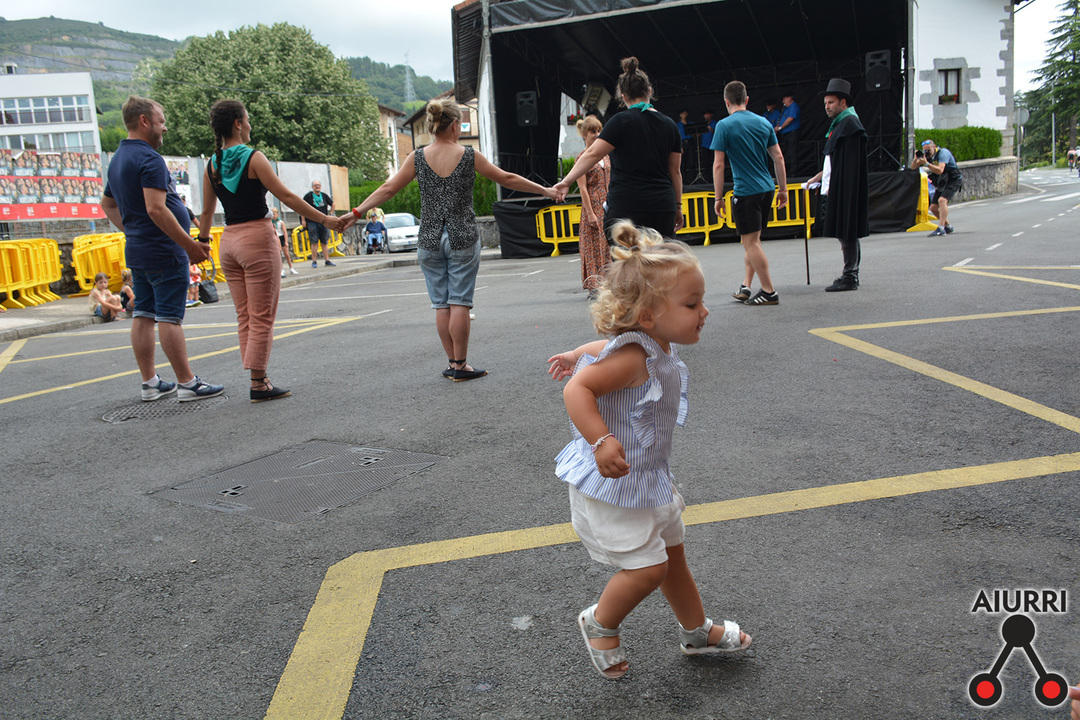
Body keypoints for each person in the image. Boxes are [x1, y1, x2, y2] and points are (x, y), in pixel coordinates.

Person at [547, 221, 751, 680]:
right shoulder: (635, 357)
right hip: (615, 481)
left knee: (673, 556)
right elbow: (578, 389)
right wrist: (601, 440)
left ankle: (696, 630)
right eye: (692, 304)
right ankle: (600, 622)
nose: (704, 311)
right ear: (647, 316)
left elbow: (604, 348)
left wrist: (578, 351)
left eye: (701, 301)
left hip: (648, 477)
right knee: (648, 568)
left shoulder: (652, 344)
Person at [342, 98, 559, 381]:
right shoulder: (468, 155)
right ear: (455, 124)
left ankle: (452, 363)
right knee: (460, 302)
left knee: (441, 304)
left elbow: (388, 189)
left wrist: (356, 213)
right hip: (462, 236)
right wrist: (546, 190)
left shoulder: (417, 157)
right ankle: (461, 365)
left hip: (429, 238)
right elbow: (507, 178)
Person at [200, 99, 344, 403]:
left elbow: (207, 211)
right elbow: (287, 196)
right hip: (256, 238)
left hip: (228, 242)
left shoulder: (212, 164)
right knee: (262, 315)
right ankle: (259, 382)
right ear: (238, 124)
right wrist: (325, 219)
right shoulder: (254, 158)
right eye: (247, 119)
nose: (250, 125)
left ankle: (256, 377)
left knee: (244, 315)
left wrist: (201, 241)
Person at [100, 95, 223, 403]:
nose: (164, 128)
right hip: (164, 251)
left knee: (143, 313)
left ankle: (150, 382)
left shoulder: (118, 158)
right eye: (161, 121)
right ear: (144, 121)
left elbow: (107, 204)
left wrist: (133, 230)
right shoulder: (149, 158)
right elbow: (156, 208)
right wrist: (189, 245)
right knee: (170, 317)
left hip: (139, 250)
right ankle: (187, 383)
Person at [554, 57, 683, 239]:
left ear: (623, 96)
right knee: (661, 256)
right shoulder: (670, 125)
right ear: (649, 91)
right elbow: (675, 171)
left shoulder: (620, 122)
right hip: (662, 205)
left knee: (626, 257)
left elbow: (593, 154)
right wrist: (678, 206)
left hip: (626, 205)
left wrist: (566, 182)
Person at [711, 80, 788, 306]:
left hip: (746, 191)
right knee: (753, 240)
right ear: (746, 99)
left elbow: (718, 165)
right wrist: (783, 189)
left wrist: (718, 198)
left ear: (726, 102)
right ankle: (746, 285)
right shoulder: (764, 122)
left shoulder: (724, 126)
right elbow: (778, 157)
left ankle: (769, 291)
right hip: (767, 189)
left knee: (750, 242)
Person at [805, 78, 869, 292]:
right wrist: (818, 177)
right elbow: (835, 161)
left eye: (831, 102)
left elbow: (849, 165)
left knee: (847, 231)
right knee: (844, 232)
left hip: (845, 188)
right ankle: (849, 273)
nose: (827, 107)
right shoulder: (842, 124)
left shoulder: (850, 124)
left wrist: (843, 190)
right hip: (839, 186)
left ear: (843, 102)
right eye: (825, 103)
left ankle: (850, 276)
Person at [575, 115, 611, 296]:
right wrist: (590, 213)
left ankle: (609, 282)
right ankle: (594, 285)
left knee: (607, 245)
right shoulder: (582, 158)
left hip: (608, 205)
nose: (597, 135)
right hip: (593, 205)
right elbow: (582, 188)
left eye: (598, 131)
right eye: (593, 132)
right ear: (584, 135)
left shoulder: (605, 156)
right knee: (592, 247)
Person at [911, 138, 963, 237]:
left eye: (929, 150)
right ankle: (948, 226)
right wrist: (915, 159)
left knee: (942, 201)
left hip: (953, 179)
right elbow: (913, 167)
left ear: (934, 147)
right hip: (943, 181)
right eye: (925, 150)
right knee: (933, 207)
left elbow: (940, 170)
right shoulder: (926, 156)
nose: (927, 153)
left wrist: (926, 164)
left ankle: (941, 228)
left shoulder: (943, 153)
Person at [302, 180, 335, 268]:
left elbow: (332, 204)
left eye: (318, 185)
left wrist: (330, 214)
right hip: (312, 221)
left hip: (323, 221)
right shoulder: (308, 196)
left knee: (324, 242)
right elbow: (302, 207)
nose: (317, 186)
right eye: (315, 185)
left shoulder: (324, 196)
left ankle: (327, 260)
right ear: (312, 187)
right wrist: (303, 220)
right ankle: (314, 261)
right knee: (314, 242)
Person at [775, 92, 801, 175]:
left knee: (792, 151)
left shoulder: (793, 106)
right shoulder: (786, 109)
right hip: (785, 134)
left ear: (789, 98)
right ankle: (788, 171)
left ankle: (793, 172)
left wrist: (780, 127)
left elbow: (790, 119)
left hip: (792, 133)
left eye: (784, 99)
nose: (783, 102)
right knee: (787, 152)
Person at [272, 208, 297, 277]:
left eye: (274, 214)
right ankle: (281, 269)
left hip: (281, 237)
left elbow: (284, 232)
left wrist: (286, 241)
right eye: (272, 214)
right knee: (279, 255)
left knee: (286, 254)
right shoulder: (271, 223)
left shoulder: (280, 222)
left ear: (277, 214)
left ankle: (291, 268)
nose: (273, 216)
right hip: (275, 238)